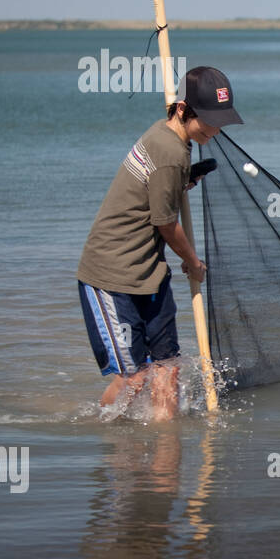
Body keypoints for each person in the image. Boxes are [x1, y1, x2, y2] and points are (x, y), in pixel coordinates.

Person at [77, 66, 244, 419]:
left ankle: (166, 448)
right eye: (209, 121)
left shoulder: (168, 137)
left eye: (220, 120)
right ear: (182, 110)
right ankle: (104, 430)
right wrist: (193, 261)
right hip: (111, 275)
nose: (215, 130)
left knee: (168, 367)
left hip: (149, 272)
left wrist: (184, 180)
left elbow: (157, 191)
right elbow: (166, 223)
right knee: (134, 378)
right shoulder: (170, 152)